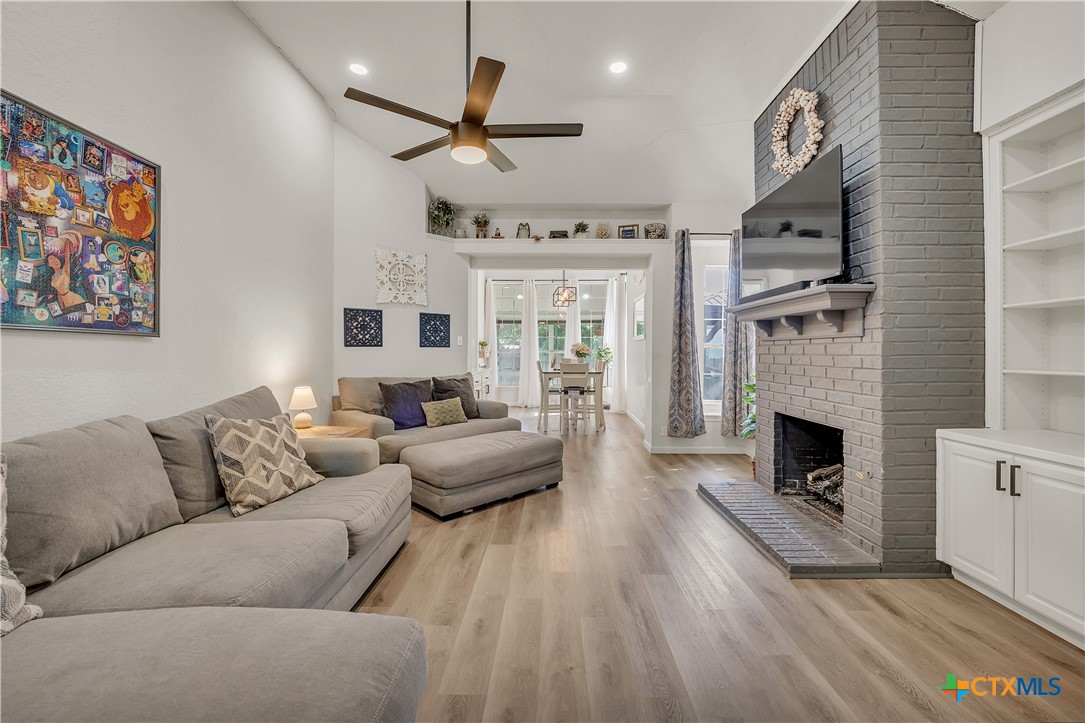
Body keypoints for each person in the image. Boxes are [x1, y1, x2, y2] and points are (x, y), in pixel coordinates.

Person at [47, 233, 86, 310]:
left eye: (56, 258)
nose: (55, 260)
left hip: (74, 299)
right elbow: (59, 293)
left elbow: (67, 259)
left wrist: (67, 244)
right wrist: (61, 304)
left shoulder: (65, 271)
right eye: (51, 259)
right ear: (49, 265)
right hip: (64, 301)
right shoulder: (53, 277)